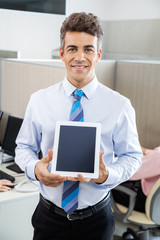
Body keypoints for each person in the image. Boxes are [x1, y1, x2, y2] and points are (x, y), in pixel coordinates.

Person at [15, 12, 142, 240]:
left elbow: (132, 156)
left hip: (96, 220)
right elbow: (23, 148)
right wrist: (36, 170)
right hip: (49, 218)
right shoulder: (39, 100)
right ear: (62, 53)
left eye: (88, 49)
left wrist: (107, 175)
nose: (80, 57)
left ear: (99, 54)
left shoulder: (119, 105)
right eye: (72, 48)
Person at [112, 146, 160, 213]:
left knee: (103, 184)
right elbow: (155, 155)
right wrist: (146, 151)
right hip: (155, 203)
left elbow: (130, 173)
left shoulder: (158, 156)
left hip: (142, 200)